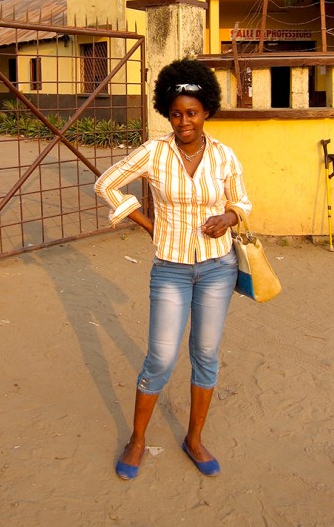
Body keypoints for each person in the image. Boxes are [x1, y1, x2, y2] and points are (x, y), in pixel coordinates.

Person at [94, 58, 251, 480]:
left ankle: (194, 438)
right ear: (168, 111)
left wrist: (229, 218)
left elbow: (243, 201)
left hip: (219, 267)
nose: (184, 121)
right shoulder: (154, 152)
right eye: (177, 113)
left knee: (206, 354)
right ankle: (138, 439)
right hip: (171, 269)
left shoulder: (223, 156)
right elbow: (106, 182)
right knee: (161, 356)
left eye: (192, 113)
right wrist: (146, 222)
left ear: (207, 113)